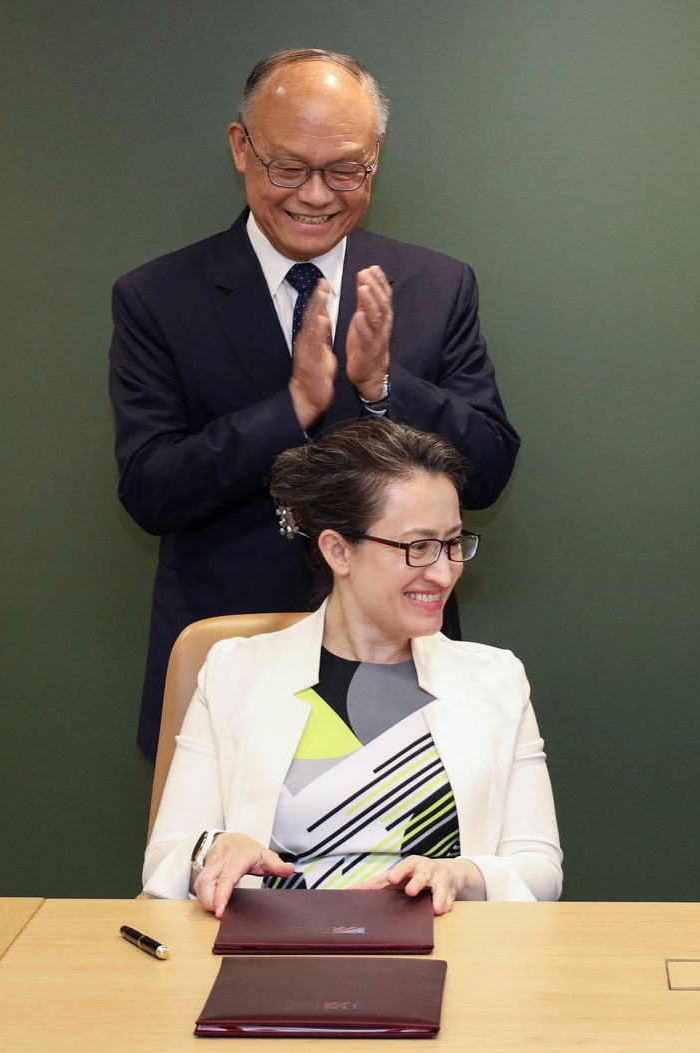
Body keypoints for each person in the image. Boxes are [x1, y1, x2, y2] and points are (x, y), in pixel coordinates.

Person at [111, 48, 519, 760]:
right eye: (288, 168)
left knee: (407, 876)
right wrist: (293, 405)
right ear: (242, 147)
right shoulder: (157, 296)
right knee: (222, 873)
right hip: (230, 662)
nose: (316, 195)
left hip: (402, 673)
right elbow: (151, 489)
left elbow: (486, 471)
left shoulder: (436, 285)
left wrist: (384, 385)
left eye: (345, 170)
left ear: (376, 156)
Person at [142, 419, 559, 914]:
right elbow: (166, 857)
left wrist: (458, 873)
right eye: (418, 547)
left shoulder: (496, 679)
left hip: (447, 955)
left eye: (452, 543)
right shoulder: (235, 672)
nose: (445, 571)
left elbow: (539, 868)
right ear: (338, 550)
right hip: (272, 958)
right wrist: (213, 849)